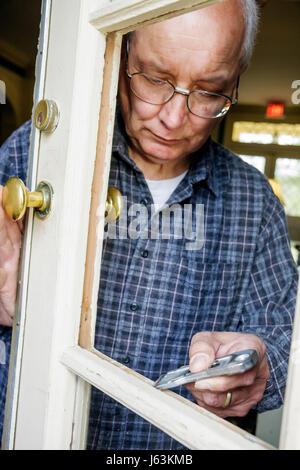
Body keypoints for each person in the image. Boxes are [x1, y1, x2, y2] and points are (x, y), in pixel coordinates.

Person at [0, 0, 298, 450]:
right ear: (121, 51)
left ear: (237, 76)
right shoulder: (40, 155)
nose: (175, 118)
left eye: (209, 91)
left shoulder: (257, 203)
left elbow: (286, 340)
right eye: (156, 80)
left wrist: (260, 370)